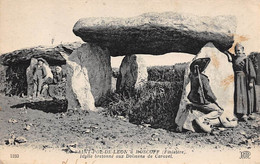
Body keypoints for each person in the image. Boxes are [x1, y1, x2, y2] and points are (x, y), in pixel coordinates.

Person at [187, 58, 225, 133]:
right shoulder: (203, 78)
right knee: (219, 110)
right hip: (201, 102)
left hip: (193, 100)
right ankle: (202, 119)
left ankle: (207, 123)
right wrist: (216, 101)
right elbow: (208, 92)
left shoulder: (192, 76)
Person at [225, 43, 258, 121]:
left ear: (243, 50)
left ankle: (246, 113)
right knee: (238, 96)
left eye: (239, 50)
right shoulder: (235, 58)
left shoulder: (246, 59)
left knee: (245, 96)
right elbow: (230, 55)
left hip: (244, 80)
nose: (237, 52)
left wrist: (251, 81)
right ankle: (240, 113)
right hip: (237, 79)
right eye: (236, 51)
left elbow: (251, 71)